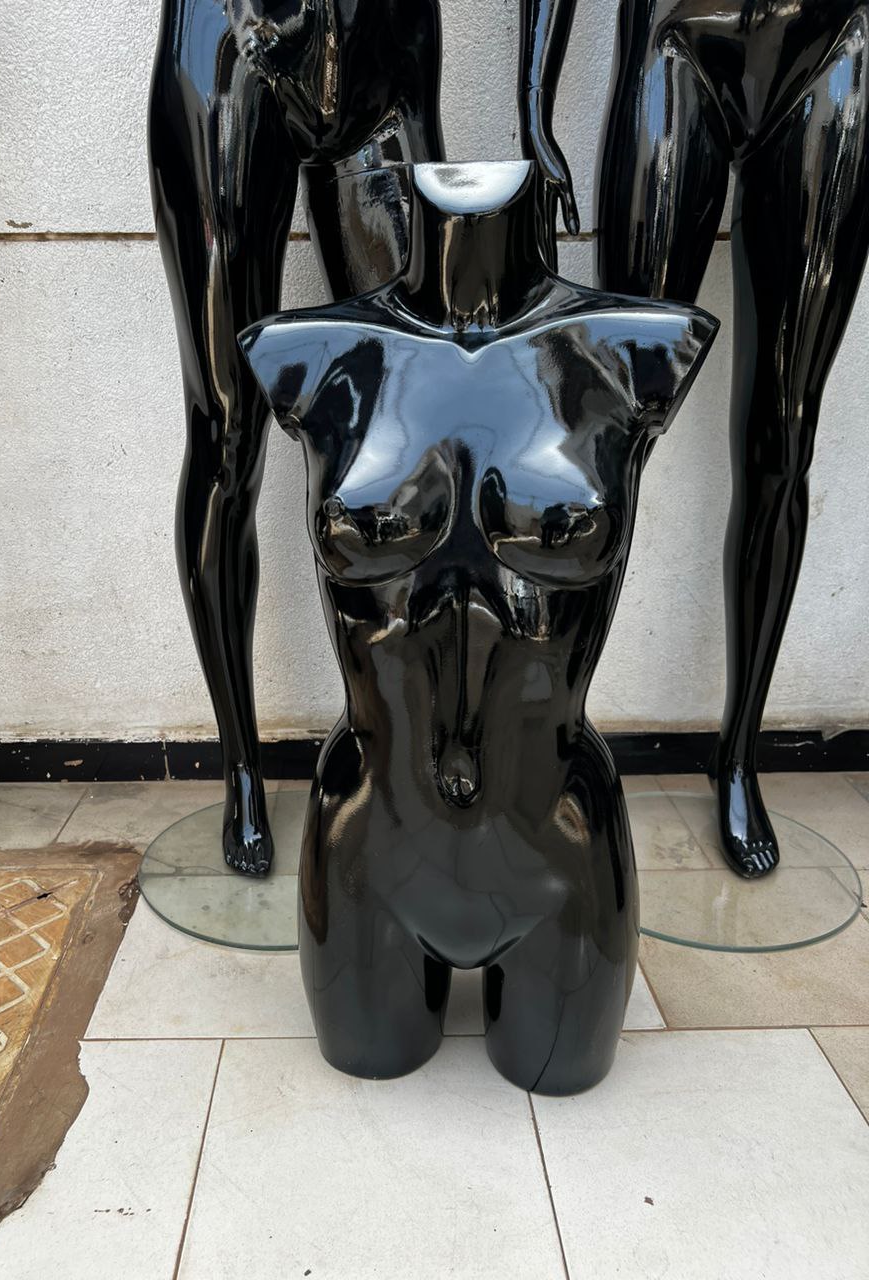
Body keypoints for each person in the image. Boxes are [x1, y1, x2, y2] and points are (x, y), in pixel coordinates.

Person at [241, 161, 717, 1091]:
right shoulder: (310, 351)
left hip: (559, 848)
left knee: (563, 1086)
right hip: (368, 846)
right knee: (367, 1074)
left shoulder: (635, 346)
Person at [520, 0, 869, 877]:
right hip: (676, 41)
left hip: (837, 46)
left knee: (784, 437)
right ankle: (553, 736)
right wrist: (534, 99)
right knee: (606, 427)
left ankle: (740, 751)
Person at [149, 0, 444, 874]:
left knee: (411, 422)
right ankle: (242, 762)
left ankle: (398, 753)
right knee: (226, 431)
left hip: (382, 48)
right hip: (228, 50)